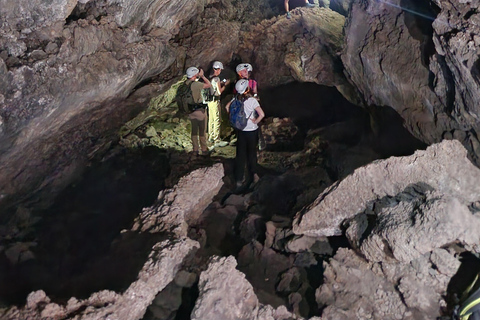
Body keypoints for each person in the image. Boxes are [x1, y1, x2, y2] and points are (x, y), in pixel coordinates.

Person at [226, 79, 265, 192]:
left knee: (240, 154)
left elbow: (227, 107)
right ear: (247, 88)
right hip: (252, 131)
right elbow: (262, 114)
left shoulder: (235, 98)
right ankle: (253, 176)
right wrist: (255, 121)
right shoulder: (252, 101)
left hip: (241, 130)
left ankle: (239, 179)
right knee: (252, 154)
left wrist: (233, 118)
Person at [236, 63, 266, 150]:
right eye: (243, 71)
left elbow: (255, 94)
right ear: (239, 73)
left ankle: (259, 143)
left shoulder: (252, 82)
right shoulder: (238, 83)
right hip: (242, 109)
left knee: (255, 126)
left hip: (251, 107)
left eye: (246, 70)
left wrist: (254, 98)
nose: (246, 72)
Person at [185, 66, 212, 156]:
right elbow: (209, 85)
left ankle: (195, 149)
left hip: (190, 111)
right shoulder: (196, 84)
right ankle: (204, 150)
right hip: (199, 111)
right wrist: (203, 76)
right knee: (202, 131)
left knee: (194, 131)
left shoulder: (185, 84)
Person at [207, 61, 230, 148]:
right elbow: (219, 92)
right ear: (217, 69)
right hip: (215, 101)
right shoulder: (216, 79)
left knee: (211, 119)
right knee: (217, 119)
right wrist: (225, 85)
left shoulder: (210, 77)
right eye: (220, 69)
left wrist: (221, 84)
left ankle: (211, 137)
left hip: (209, 101)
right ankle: (217, 139)